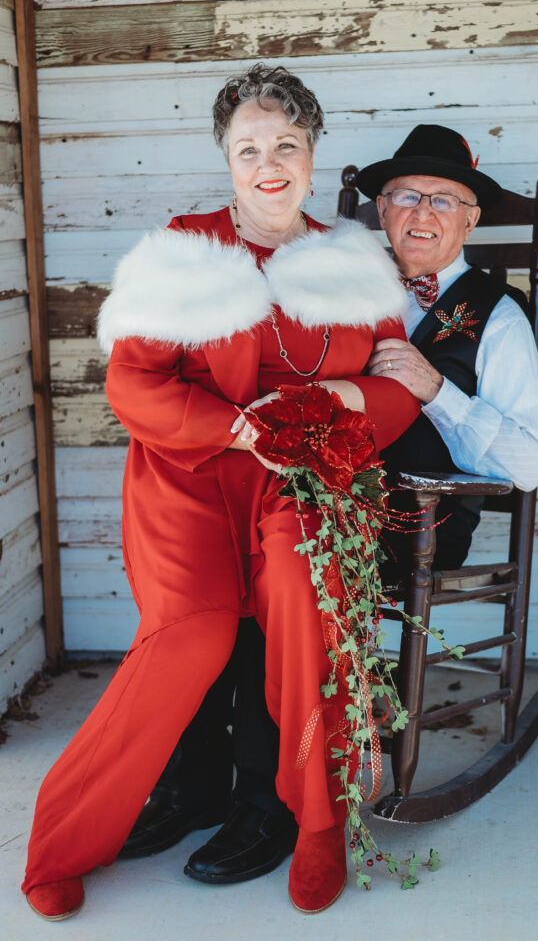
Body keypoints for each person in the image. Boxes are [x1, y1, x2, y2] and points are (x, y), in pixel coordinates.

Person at [21, 64, 420, 920]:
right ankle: (68, 834)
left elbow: (393, 392)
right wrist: (241, 428)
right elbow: (132, 386)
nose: (267, 163)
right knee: (190, 639)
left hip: (303, 487)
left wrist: (327, 406)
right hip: (192, 479)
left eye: (286, 144)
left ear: (312, 154)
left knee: (300, 612)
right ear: (226, 160)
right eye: (248, 148)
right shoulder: (183, 250)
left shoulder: (354, 263)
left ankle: (307, 822)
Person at [360, 124, 538, 568]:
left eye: (444, 200)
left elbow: (530, 465)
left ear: (470, 220)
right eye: (408, 196)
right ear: (383, 209)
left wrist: (437, 391)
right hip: (324, 514)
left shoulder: (499, 315)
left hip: (416, 528)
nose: (423, 214)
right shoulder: (346, 293)